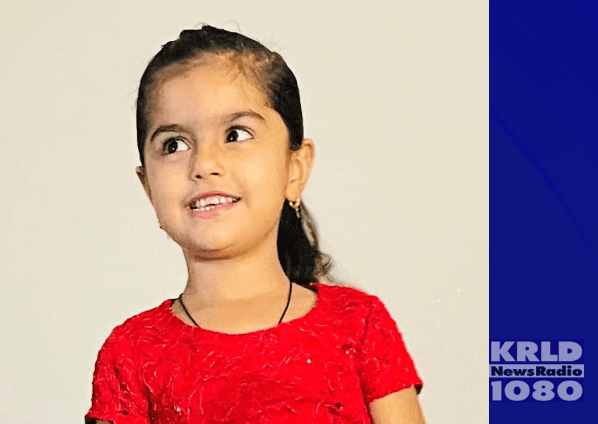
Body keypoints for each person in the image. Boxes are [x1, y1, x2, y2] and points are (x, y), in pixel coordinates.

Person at [84, 24, 425, 424]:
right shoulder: (131, 352)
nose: (204, 164)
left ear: (295, 168)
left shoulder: (360, 326)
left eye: (235, 134)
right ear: (148, 187)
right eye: (174, 144)